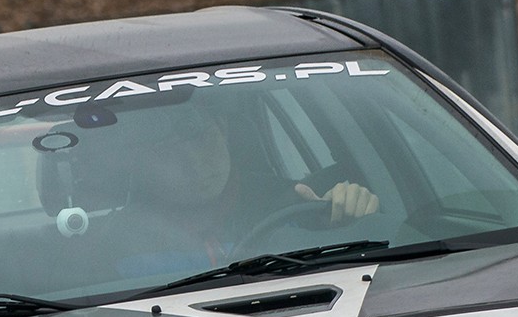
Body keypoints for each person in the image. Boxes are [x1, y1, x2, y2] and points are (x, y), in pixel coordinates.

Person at [109, 104, 379, 277]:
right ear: (138, 162)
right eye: (166, 150)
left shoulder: (297, 203)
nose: (192, 161)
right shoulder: (112, 245)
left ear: (223, 128)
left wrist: (351, 213)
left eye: (199, 137)